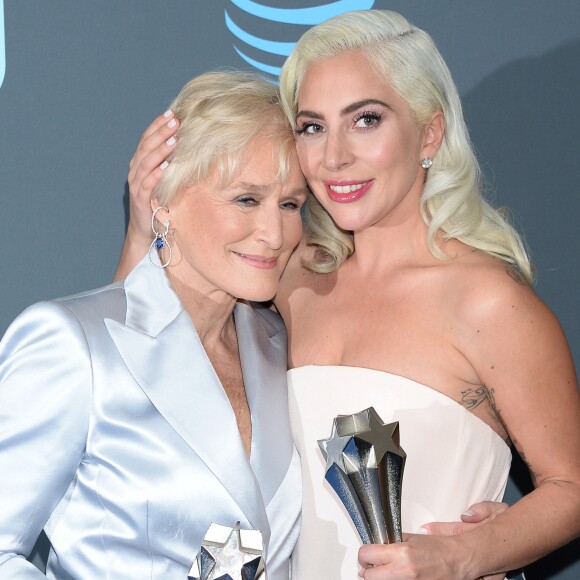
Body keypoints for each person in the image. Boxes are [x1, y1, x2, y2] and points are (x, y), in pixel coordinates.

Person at [118, 9, 580, 580]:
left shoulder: (487, 301)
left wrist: (462, 556)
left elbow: (571, 488)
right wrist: (145, 225)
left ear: (429, 132)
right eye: (312, 127)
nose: (333, 157)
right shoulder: (290, 277)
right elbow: (136, 363)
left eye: (365, 120)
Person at [0, 70, 308, 578]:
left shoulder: (282, 350)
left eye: (291, 204)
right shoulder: (72, 343)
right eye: (246, 199)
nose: (275, 233)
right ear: (162, 200)